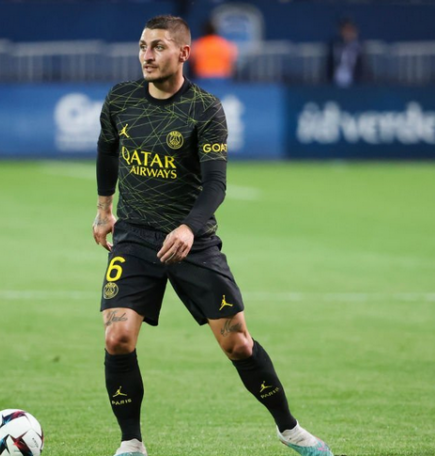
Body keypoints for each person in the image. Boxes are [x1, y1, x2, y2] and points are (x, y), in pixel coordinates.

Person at [93, 15, 334, 456]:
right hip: (135, 237)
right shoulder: (120, 99)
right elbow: (107, 149)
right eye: (143, 46)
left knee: (238, 343)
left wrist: (189, 226)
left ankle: (289, 429)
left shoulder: (204, 108)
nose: (147, 55)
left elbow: (215, 185)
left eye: (159, 47)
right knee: (117, 337)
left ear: (183, 53)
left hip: (193, 243)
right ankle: (131, 443)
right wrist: (104, 208)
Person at [326, 18, 364, 88]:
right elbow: (329, 65)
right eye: (346, 30)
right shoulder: (335, 45)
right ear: (341, 31)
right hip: (335, 81)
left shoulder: (360, 47)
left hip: (354, 82)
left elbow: (362, 68)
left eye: (350, 30)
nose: (348, 33)